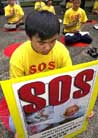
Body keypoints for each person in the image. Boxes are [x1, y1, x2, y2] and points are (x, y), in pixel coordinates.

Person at [9, 10, 72, 137]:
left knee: (75, 111)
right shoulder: (18, 57)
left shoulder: (61, 50)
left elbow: (69, 80)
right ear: (29, 37)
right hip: (33, 101)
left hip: (55, 97)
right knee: (13, 124)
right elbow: (16, 93)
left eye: (53, 41)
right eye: (41, 43)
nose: (48, 47)